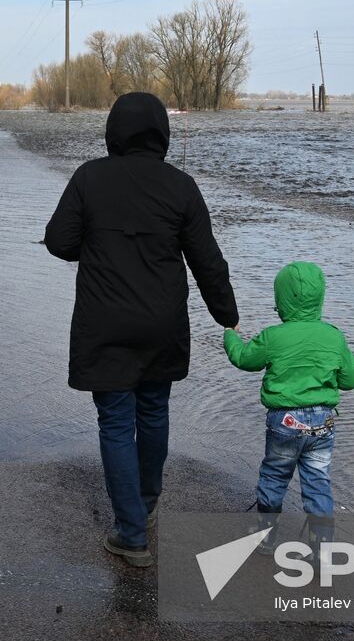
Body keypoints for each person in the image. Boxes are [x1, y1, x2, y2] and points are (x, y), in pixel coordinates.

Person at [44, 92, 238, 568]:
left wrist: (100, 246)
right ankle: (146, 504)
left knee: (115, 420)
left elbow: (59, 241)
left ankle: (131, 533)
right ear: (162, 136)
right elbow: (207, 261)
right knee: (153, 410)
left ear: (113, 132)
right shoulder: (181, 186)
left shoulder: (89, 177)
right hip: (162, 322)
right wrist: (227, 316)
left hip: (104, 321)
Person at [223, 261, 354, 547]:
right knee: (317, 482)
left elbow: (244, 360)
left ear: (280, 300)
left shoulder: (273, 336)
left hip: (284, 421)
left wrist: (231, 335)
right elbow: (350, 380)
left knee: (274, 476)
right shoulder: (333, 336)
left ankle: (267, 538)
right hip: (324, 422)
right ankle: (322, 548)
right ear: (320, 297)